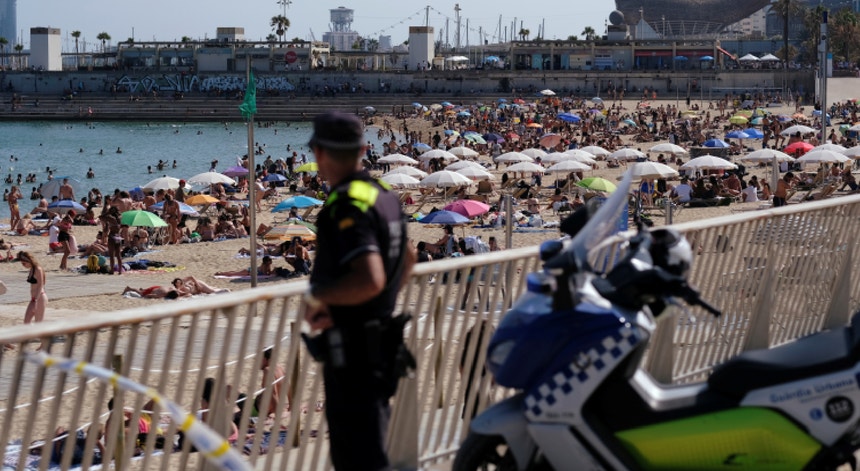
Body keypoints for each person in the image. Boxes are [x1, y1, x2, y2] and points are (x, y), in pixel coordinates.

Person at [303, 111, 416, 471]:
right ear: (364, 150)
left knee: (359, 458)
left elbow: (369, 279)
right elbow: (409, 258)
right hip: (381, 342)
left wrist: (320, 298)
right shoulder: (384, 196)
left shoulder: (345, 204)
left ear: (319, 153)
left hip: (353, 350)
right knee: (373, 449)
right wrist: (382, 305)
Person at [18, 251, 47, 326]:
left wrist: (35, 300)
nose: (23, 265)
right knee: (26, 322)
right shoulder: (32, 269)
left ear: (29, 261)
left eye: (24, 263)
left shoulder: (37, 269)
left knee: (38, 323)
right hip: (34, 298)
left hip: (39, 298)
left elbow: (40, 285)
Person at [100, 206, 124, 274]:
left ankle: (112, 270)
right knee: (118, 255)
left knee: (112, 255)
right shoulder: (119, 218)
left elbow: (100, 217)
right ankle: (120, 270)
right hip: (118, 237)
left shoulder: (110, 218)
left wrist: (107, 212)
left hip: (112, 236)